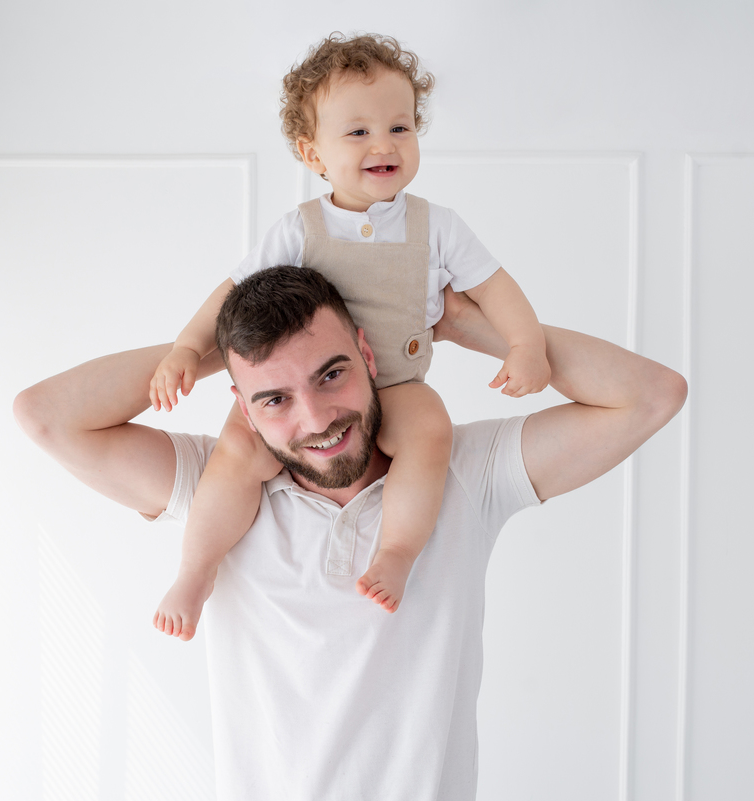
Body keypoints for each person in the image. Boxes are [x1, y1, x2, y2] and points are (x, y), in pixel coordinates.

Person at [13, 265, 687, 800]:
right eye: (274, 397)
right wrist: (203, 352)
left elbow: (653, 394)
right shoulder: (217, 486)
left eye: (330, 374)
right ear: (242, 405)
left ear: (367, 352)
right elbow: (44, 414)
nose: (315, 418)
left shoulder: (463, 471)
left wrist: (474, 328)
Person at [148, 33, 549, 638]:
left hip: (397, 382)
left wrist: (525, 343)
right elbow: (231, 296)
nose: (383, 144)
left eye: (400, 127)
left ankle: (397, 551)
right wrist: (185, 347)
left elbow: (495, 286)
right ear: (312, 153)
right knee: (235, 453)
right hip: (310, 387)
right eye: (358, 132)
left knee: (430, 430)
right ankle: (196, 571)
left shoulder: (436, 226)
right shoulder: (300, 229)